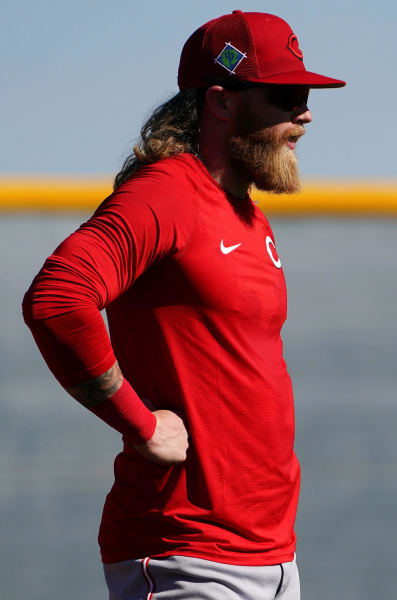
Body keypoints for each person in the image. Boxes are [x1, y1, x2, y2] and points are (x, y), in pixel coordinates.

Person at [23, 10, 345, 600]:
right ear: (222, 102)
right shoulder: (169, 191)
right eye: (287, 95)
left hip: (270, 556)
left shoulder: (246, 212)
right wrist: (137, 421)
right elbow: (58, 298)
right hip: (187, 555)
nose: (305, 113)